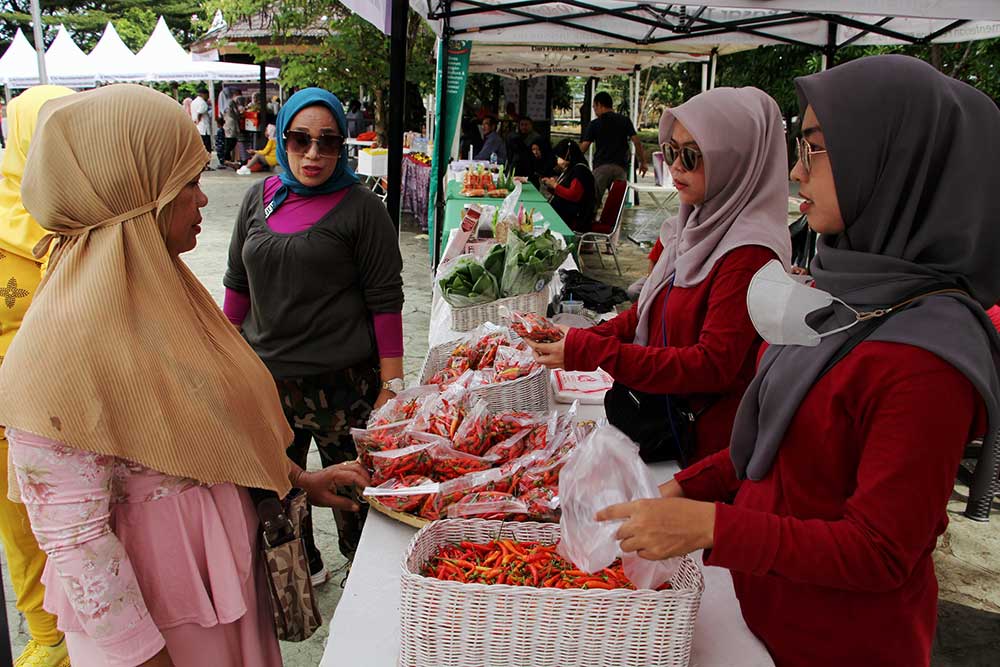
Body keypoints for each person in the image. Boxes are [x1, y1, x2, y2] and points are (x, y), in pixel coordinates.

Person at [597, 55, 1000, 667]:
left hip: (836, 644)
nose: (794, 171)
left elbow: (879, 551)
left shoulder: (927, 360)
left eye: (814, 149)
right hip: (759, 609)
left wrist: (711, 527)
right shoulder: (842, 293)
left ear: (891, 165)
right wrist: (676, 490)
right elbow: (760, 456)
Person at [0, 83, 371, 667]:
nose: (203, 200)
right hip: (157, 632)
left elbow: (209, 428)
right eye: (187, 184)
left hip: (220, 594)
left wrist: (298, 479)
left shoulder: (169, 301)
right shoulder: (56, 350)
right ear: (135, 197)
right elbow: (78, 546)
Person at [528, 87, 792, 464]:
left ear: (737, 162)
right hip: (663, 423)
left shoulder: (750, 254)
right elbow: (648, 311)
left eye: (691, 156)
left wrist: (595, 350)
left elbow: (711, 365)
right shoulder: (695, 225)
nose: (675, 167)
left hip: (703, 450)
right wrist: (582, 338)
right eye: (671, 151)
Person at [224, 88, 405, 580]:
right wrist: (221, 356)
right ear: (281, 139)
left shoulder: (361, 208)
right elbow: (237, 287)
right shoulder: (257, 198)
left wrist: (392, 385)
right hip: (266, 383)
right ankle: (308, 568)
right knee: (281, 489)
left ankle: (364, 576)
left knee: (354, 495)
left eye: (328, 142)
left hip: (342, 387)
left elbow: (385, 301)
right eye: (300, 139)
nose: (313, 154)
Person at [0, 85, 74, 667]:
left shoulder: (93, 215)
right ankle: (47, 638)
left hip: (79, 420)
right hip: (6, 422)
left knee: (78, 533)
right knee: (23, 535)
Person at [580, 91, 647, 206]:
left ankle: (591, 222)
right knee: (616, 206)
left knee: (593, 202)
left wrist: (571, 159)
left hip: (601, 167)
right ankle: (614, 224)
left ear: (599, 104)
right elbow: (636, 142)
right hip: (620, 169)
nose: (595, 111)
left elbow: (584, 147)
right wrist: (643, 162)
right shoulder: (624, 120)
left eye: (594, 108)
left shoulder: (595, 124)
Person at [540, 139, 595, 234]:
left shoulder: (580, 170)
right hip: (567, 211)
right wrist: (551, 186)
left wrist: (555, 185)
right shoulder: (571, 169)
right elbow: (564, 192)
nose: (558, 159)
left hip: (576, 216)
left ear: (567, 154)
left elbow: (573, 195)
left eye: (559, 156)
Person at [190, 87, 212, 157]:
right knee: (206, 147)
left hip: (197, 128)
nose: (208, 97)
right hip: (203, 128)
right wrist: (198, 121)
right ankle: (206, 163)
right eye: (207, 95)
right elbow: (199, 113)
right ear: (203, 94)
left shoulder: (193, 102)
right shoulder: (203, 103)